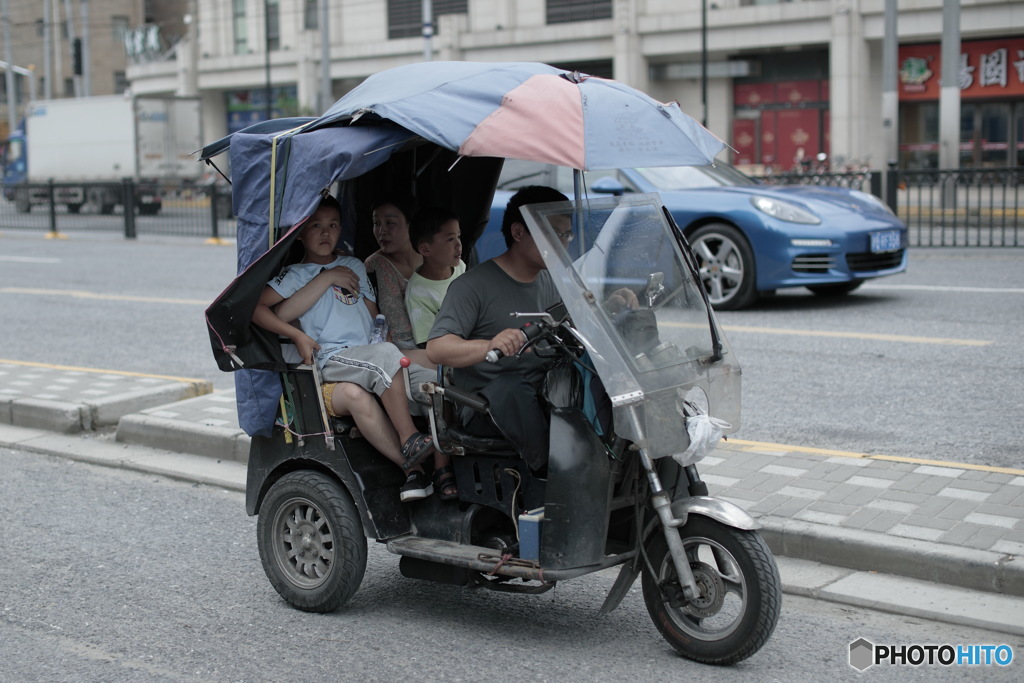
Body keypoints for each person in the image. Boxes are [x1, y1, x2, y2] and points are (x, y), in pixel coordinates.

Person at [253, 194, 455, 501]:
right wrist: (297, 335)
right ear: (301, 231)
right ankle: (409, 440)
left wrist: (390, 343)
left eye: (333, 225)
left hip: (369, 354)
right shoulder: (295, 274)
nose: (325, 233)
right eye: (316, 225)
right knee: (385, 358)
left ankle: (442, 470)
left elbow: (373, 316)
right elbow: (258, 310)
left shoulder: (353, 265)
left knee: (436, 381)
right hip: (333, 356)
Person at [426, 186, 570, 473]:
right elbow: (437, 348)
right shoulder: (472, 287)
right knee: (512, 388)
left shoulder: (553, 281)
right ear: (518, 233)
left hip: (545, 395)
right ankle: (548, 478)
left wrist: (614, 306)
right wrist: (489, 345)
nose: (561, 243)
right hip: (488, 407)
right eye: (553, 233)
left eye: (566, 235)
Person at [363, 196, 432, 366]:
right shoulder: (374, 265)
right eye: (376, 223)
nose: (381, 231)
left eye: (389, 223)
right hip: (399, 350)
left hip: (440, 341)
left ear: (411, 224)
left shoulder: (432, 257)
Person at [405, 207, 466, 346]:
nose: (459, 245)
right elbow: (430, 344)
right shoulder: (417, 294)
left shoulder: (460, 267)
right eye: (450, 239)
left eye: (459, 236)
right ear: (426, 249)